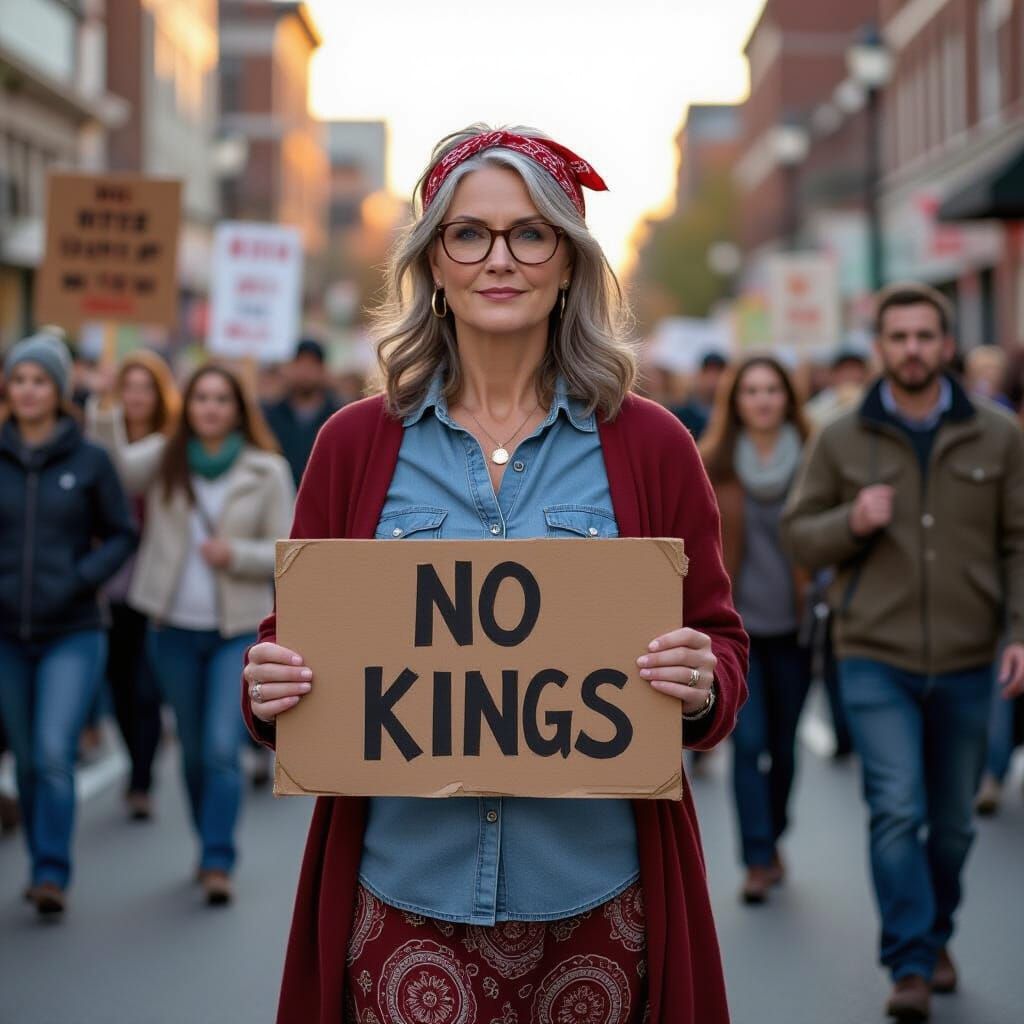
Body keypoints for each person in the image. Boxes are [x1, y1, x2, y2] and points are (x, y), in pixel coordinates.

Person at [241, 124, 749, 1024]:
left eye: (530, 233)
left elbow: (718, 638)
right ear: (434, 262)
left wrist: (703, 682)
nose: (498, 259)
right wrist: (269, 685)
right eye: (468, 234)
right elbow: (294, 642)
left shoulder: (653, 447)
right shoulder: (354, 446)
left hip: (597, 895)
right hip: (404, 895)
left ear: (569, 262)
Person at [783, 282, 1024, 1022]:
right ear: (881, 346)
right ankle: (911, 960)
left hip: (967, 656)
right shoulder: (843, 437)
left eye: (926, 336)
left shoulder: (998, 435)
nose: (913, 349)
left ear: (946, 346)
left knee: (951, 823)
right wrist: (851, 520)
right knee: (895, 807)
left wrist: (1017, 631)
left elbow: (1019, 542)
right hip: (873, 654)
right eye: (899, 337)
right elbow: (800, 532)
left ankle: (935, 931)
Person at [101, 363, 294, 905]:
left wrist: (237, 554)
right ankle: (205, 840)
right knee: (188, 751)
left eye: (220, 398)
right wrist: (106, 406)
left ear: (237, 408)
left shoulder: (267, 470)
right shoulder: (165, 459)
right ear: (185, 406)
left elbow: (289, 550)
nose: (209, 407)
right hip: (171, 629)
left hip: (237, 631)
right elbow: (112, 466)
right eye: (200, 398)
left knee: (218, 749)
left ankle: (217, 859)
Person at [0, 332, 137, 916]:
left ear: (58, 391)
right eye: (19, 380)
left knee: (55, 752)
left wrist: (82, 577)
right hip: (7, 633)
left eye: (39, 381)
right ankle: (38, 859)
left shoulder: (90, 459)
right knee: (26, 759)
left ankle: (51, 872)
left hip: (74, 631)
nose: (28, 390)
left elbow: (124, 533)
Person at [700, 355, 811, 904]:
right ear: (736, 401)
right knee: (749, 746)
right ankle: (757, 858)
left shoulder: (815, 461)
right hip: (737, 634)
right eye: (752, 391)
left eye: (773, 389)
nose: (763, 400)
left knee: (785, 748)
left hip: (797, 626)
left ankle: (775, 834)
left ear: (788, 397)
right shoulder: (712, 464)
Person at [86, 351, 180, 821]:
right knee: (120, 681)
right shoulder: (98, 435)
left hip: (154, 574)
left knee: (144, 684)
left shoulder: (169, 444)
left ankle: (142, 779)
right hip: (110, 577)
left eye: (145, 388)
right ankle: (136, 763)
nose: (136, 397)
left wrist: (103, 418)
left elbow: (120, 469)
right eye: (128, 388)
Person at [262, 338, 342, 488]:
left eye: (312, 364)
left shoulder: (339, 417)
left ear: (323, 370)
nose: (306, 371)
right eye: (301, 363)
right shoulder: (270, 415)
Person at [672, 351, 727, 440]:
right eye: (708, 372)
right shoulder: (679, 414)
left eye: (718, 373)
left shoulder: (734, 415)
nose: (713, 379)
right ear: (698, 375)